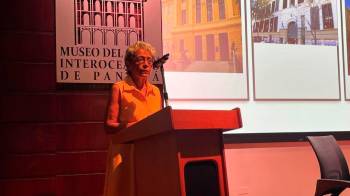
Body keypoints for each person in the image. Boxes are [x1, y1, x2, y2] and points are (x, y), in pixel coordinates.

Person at [103, 41, 162, 196]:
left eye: (149, 61)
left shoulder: (156, 91)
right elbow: (109, 125)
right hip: (125, 155)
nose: (146, 65)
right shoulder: (119, 88)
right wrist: (134, 128)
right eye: (140, 59)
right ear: (128, 64)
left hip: (150, 155)